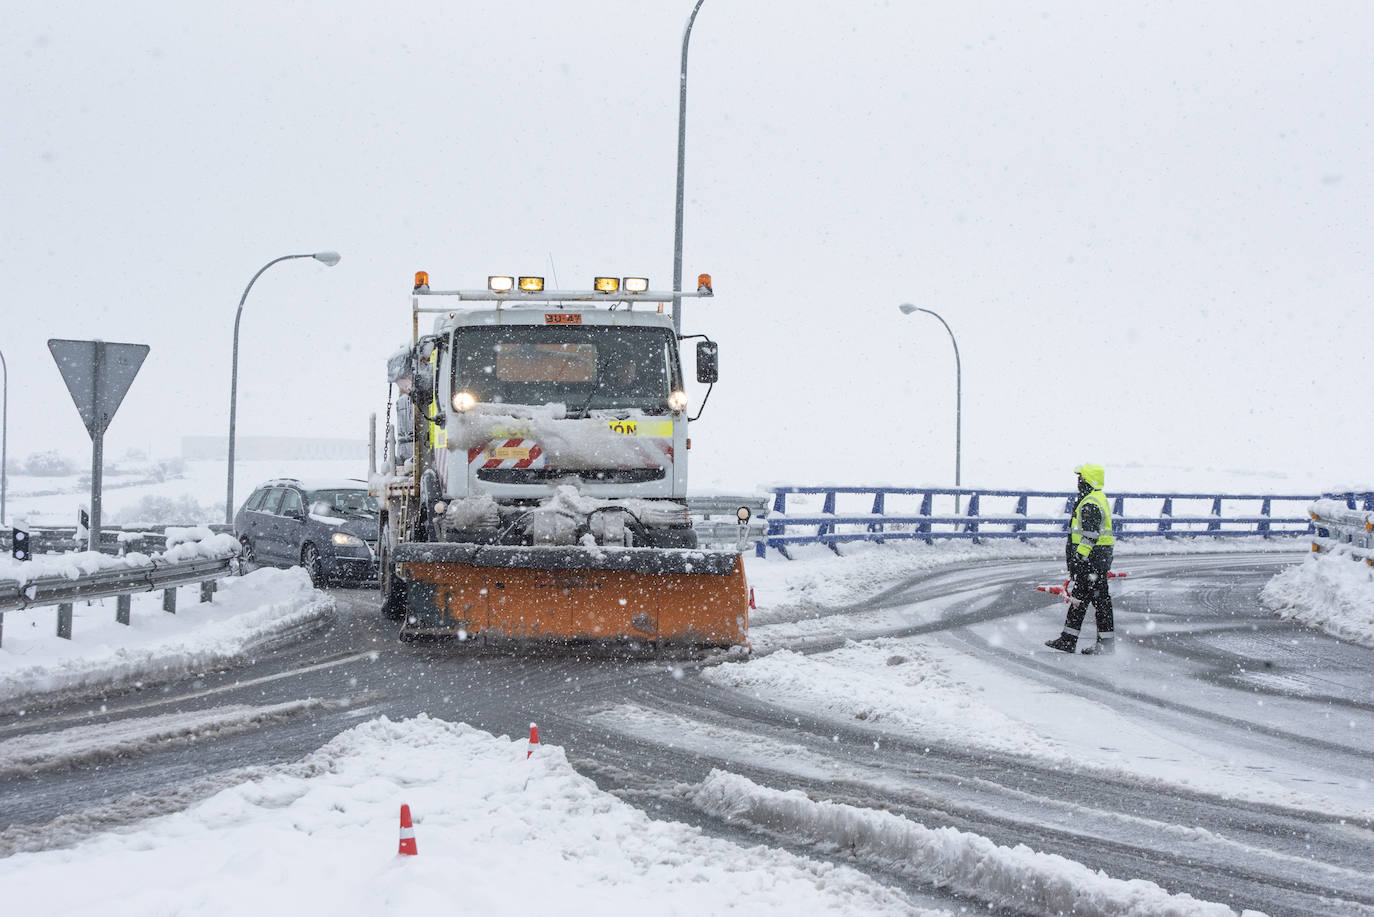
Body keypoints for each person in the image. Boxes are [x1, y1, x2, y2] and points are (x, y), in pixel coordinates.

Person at [1045, 462, 1116, 655]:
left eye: (1081, 478)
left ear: (1087, 480)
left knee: (1095, 601)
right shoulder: (1097, 498)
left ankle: (1083, 642)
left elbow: (1090, 535)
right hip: (1097, 559)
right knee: (1086, 600)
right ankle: (1072, 640)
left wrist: (1079, 557)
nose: (1078, 482)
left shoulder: (1090, 502)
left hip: (1090, 560)